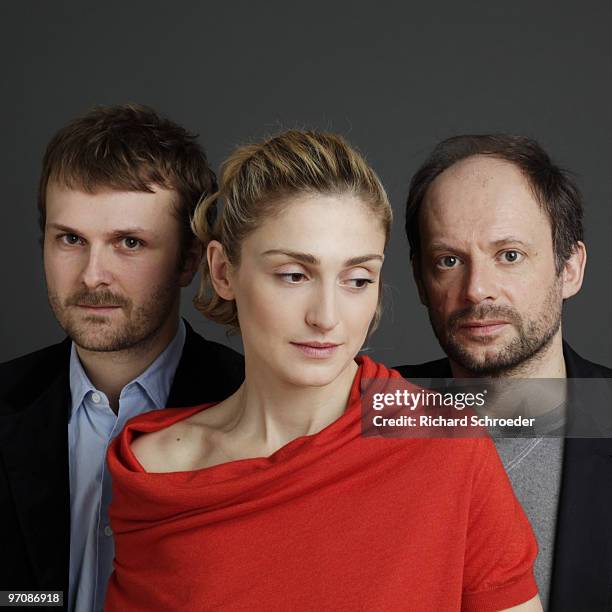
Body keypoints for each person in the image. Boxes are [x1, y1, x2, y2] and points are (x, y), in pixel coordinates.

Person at [106, 130, 541, 611]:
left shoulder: (448, 442)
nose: (327, 316)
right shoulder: (152, 471)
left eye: (357, 280)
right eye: (294, 275)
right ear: (224, 271)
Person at [0, 105, 244, 610]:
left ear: (191, 260)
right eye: (70, 240)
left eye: (129, 243)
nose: (92, 276)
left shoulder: (253, 402)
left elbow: (427, 409)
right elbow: (20, 598)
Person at [394, 134, 612, 611]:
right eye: (448, 261)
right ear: (419, 280)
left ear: (570, 268)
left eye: (509, 255)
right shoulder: (370, 409)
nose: (477, 290)